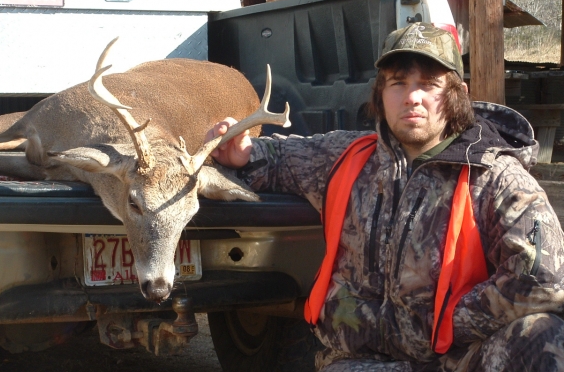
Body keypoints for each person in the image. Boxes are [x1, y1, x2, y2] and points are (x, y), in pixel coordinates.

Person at [206, 22, 564, 371]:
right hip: (358, 362)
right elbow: (279, 158)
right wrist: (242, 152)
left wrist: (448, 323)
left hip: (455, 359)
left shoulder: (494, 175)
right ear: (380, 93)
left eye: (429, 84)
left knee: (542, 335)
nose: (412, 97)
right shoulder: (346, 157)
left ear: (458, 94)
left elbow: (544, 280)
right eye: (398, 83)